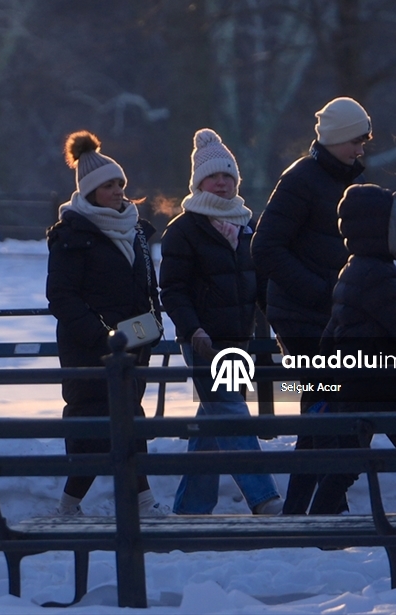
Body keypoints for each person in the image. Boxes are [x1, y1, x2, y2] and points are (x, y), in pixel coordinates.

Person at [251, 96, 368, 515]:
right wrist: (321, 291)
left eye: (364, 140)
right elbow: (265, 247)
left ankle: (303, 512)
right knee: (325, 406)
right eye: (355, 140)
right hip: (302, 318)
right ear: (334, 139)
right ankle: (325, 509)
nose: (361, 148)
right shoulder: (300, 180)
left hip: (331, 317)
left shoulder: (347, 180)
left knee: (319, 410)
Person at [308, 184, 396, 514]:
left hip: (355, 387)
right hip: (384, 387)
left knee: (347, 464)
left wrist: (324, 374)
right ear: (377, 230)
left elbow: (333, 331)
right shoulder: (376, 274)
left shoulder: (354, 268)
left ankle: (316, 523)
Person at [160, 128, 283, 515]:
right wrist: (192, 328)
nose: (222, 182)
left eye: (228, 175)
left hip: (238, 340)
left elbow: (259, 284)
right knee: (231, 411)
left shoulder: (246, 228)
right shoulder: (183, 230)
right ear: (199, 183)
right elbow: (173, 289)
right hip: (203, 341)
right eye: (214, 176)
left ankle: (190, 509)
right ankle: (265, 499)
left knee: (212, 424)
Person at [46, 131, 167, 516]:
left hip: (134, 345)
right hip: (89, 350)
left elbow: (148, 287)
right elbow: (62, 296)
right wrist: (101, 337)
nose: (118, 191)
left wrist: (152, 324)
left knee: (128, 421)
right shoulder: (72, 235)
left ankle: (74, 504)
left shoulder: (135, 231)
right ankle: (136, 503)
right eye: (109, 185)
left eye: (120, 184)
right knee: (98, 427)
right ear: (90, 191)